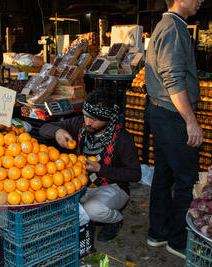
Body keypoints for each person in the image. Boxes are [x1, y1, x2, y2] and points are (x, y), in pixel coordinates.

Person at [39, 89, 141, 242]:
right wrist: (58, 131)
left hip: (112, 187)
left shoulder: (122, 138)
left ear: (107, 118)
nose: (88, 122)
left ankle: (116, 220)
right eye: (86, 116)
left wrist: (101, 169)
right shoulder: (79, 124)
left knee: (93, 210)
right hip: (82, 185)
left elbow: (135, 174)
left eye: (94, 119)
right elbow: (43, 129)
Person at [144, 0, 204, 259]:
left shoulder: (167, 24)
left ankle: (159, 232)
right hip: (172, 115)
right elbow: (173, 78)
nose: (201, 1)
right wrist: (191, 120)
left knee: (163, 175)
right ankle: (178, 240)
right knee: (185, 179)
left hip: (162, 112)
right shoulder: (174, 29)